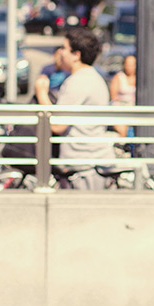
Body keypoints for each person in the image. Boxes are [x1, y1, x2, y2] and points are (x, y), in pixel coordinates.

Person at [35, 28, 114, 189]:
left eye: (64, 48)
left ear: (77, 55)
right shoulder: (93, 77)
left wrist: (41, 94)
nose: (60, 52)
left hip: (81, 165)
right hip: (90, 162)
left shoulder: (78, 82)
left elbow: (57, 125)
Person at [108, 53, 136, 140]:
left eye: (132, 65)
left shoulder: (139, 78)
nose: (130, 67)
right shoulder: (118, 77)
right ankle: (123, 148)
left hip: (135, 110)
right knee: (122, 129)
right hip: (120, 110)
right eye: (128, 64)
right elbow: (113, 97)